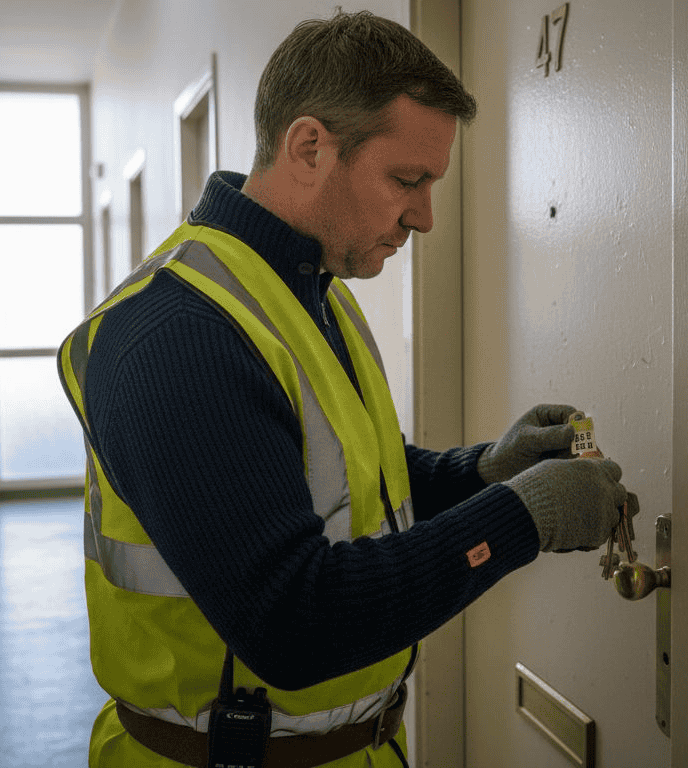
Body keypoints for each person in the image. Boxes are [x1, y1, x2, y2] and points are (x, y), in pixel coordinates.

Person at [57, 10, 639, 768]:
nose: (424, 217)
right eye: (408, 180)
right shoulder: (178, 336)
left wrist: (483, 471)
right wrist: (519, 518)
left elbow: (349, 482)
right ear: (308, 146)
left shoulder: (309, 290)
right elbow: (292, 620)